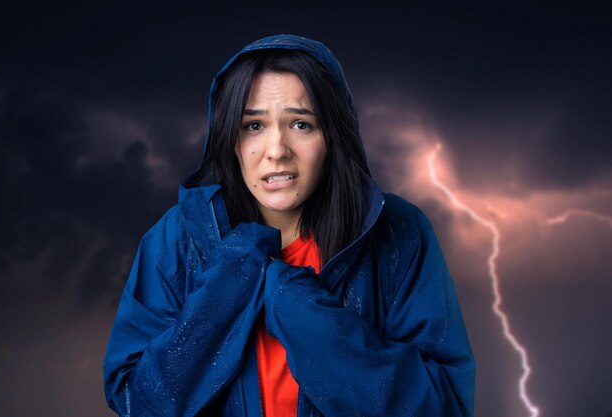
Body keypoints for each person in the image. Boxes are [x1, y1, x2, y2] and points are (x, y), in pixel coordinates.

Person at [103, 34, 475, 417]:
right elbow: (136, 400)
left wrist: (299, 306)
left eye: (300, 124)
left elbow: (444, 407)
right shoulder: (175, 241)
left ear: (331, 136)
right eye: (253, 126)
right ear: (230, 139)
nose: (277, 150)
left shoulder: (399, 233)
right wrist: (234, 274)